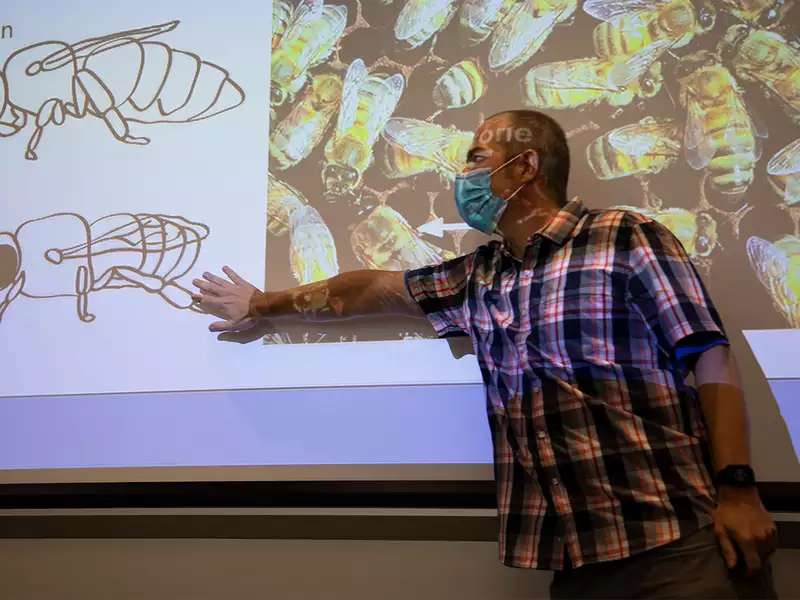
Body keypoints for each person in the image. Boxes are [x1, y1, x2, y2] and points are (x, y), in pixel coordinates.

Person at [192, 109, 779, 599]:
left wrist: (739, 488)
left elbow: (710, 356)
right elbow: (365, 290)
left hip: (681, 546)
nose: (462, 173)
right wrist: (262, 304)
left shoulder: (624, 234)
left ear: (524, 166)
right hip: (576, 567)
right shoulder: (478, 275)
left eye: (475, 158)